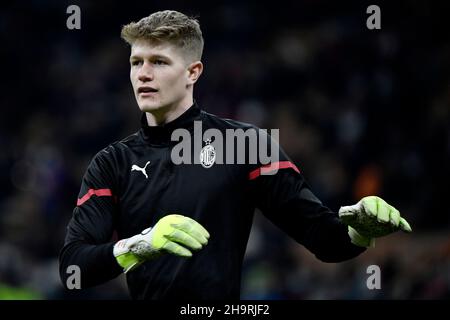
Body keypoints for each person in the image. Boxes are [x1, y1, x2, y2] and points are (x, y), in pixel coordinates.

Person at [59, 10, 411, 300]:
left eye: (159, 62)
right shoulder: (111, 163)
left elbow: (324, 239)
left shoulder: (244, 144)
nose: (144, 74)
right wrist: (143, 243)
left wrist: (358, 232)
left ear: (192, 72)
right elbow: (73, 268)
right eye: (137, 62)